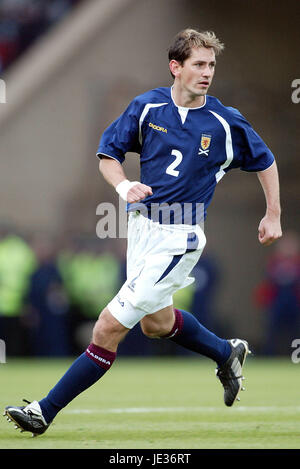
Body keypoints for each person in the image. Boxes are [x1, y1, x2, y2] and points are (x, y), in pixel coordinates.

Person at [4, 28, 282, 436]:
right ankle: (226, 352)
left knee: (107, 328)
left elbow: (266, 160)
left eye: (211, 65)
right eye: (198, 65)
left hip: (180, 236)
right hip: (141, 230)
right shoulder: (147, 106)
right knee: (155, 323)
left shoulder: (224, 121)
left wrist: (272, 214)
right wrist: (123, 186)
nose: (207, 73)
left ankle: (43, 412)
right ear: (176, 67)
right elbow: (107, 157)